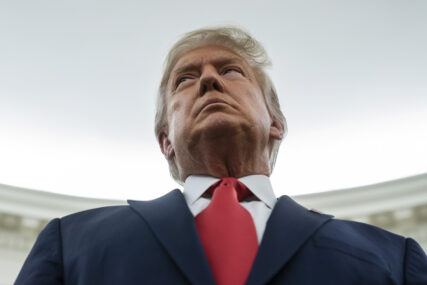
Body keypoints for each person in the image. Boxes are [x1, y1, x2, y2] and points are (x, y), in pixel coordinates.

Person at [15, 26, 427, 285]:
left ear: (276, 123)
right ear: (165, 141)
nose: (209, 79)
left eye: (231, 71)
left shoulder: (392, 257)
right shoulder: (71, 245)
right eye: (186, 79)